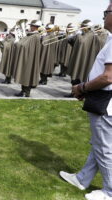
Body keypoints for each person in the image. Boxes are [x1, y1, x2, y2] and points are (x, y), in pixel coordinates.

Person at [60, 3, 112, 200]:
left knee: (104, 148)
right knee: (99, 143)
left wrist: (82, 88)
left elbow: (108, 77)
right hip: (104, 98)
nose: (104, 16)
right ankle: (82, 179)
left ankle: (109, 191)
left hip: (106, 101)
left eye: (107, 12)